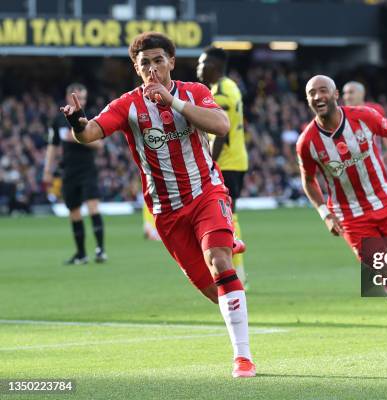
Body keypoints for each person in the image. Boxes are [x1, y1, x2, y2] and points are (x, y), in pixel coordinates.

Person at [59, 32, 255, 378]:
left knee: (220, 261)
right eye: (144, 63)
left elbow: (222, 125)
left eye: (158, 60)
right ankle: (223, 243)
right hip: (167, 212)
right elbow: (90, 133)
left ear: (172, 62)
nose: (152, 68)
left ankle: (243, 357)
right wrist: (77, 123)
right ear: (137, 69)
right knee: (214, 289)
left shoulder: (195, 92)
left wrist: (172, 103)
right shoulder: (127, 105)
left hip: (206, 192)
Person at [297, 75, 387, 341]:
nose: (318, 97)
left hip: (384, 202)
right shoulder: (307, 142)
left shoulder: (364, 117)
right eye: (312, 93)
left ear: (335, 94)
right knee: (385, 271)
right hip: (350, 216)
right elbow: (308, 181)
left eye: (323, 91)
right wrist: (324, 214)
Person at [197, 46, 249, 286]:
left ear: (214, 66)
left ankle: (236, 273)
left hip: (226, 163)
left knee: (227, 218)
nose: (198, 68)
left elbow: (221, 134)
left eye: (202, 63)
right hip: (236, 159)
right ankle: (237, 272)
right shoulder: (231, 86)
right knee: (229, 214)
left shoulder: (220, 92)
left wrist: (209, 164)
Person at [43, 83, 107, 265]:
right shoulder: (58, 120)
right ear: (68, 97)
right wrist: (47, 171)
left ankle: (101, 250)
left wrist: (79, 138)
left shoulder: (90, 117)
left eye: (84, 98)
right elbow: (52, 147)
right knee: (74, 212)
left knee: (93, 207)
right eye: (77, 97)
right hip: (68, 171)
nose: (81, 101)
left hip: (88, 169)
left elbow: (99, 145)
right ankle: (81, 254)